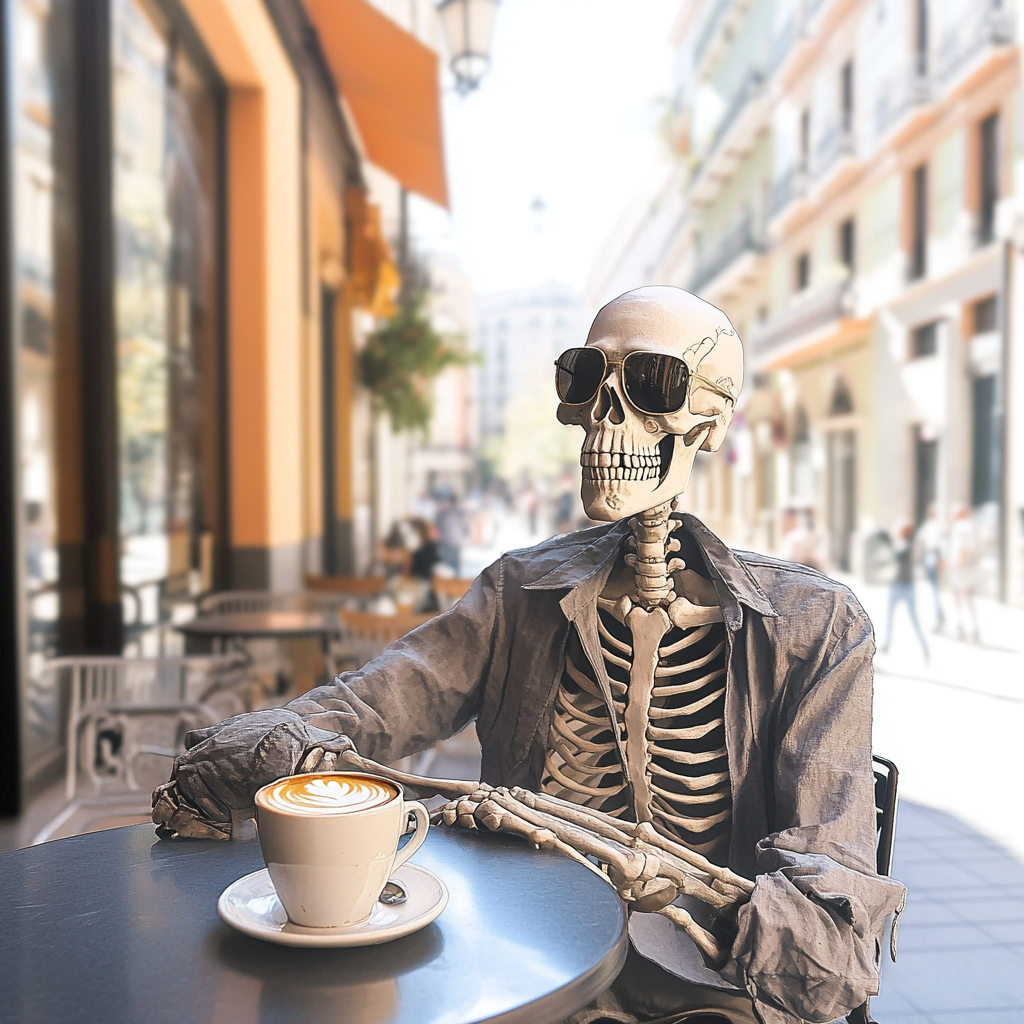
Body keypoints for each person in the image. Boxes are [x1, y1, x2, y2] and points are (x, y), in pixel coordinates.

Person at [153, 287, 903, 1024]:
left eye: (650, 386)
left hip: (716, 986)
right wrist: (269, 746)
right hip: (528, 967)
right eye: (587, 379)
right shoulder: (519, 590)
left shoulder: (816, 624)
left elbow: (831, 912)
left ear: (706, 423)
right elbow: (380, 701)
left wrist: (703, 898)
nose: (605, 418)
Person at [880, 519, 929, 661]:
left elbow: (897, 554)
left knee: (910, 619)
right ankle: (887, 644)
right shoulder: (908, 544)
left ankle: (924, 648)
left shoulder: (905, 545)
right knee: (892, 617)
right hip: (905, 585)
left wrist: (891, 539)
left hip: (901, 586)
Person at [948, 504, 980, 643]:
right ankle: (971, 629)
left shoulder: (962, 527)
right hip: (970, 568)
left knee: (961, 599)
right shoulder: (972, 526)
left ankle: (963, 628)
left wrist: (959, 565)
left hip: (963, 570)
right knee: (968, 600)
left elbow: (964, 548)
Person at [916, 504, 945, 631]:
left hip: (931, 558)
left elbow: (920, 541)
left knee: (935, 590)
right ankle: (939, 617)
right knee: (935, 590)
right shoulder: (935, 527)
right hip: (934, 558)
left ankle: (940, 617)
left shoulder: (929, 527)